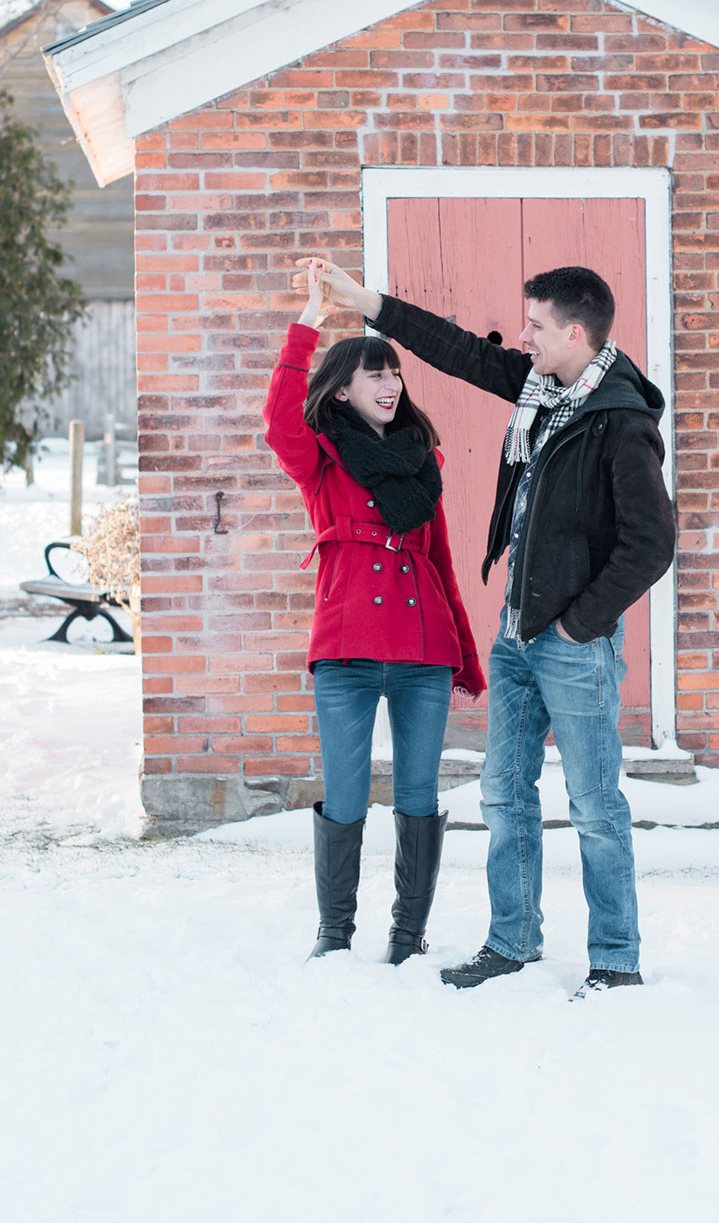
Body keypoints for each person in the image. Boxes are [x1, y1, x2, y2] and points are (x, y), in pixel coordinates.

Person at [296, 256, 675, 998]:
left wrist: (579, 625)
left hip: (570, 642)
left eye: (535, 326)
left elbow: (651, 544)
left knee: (595, 804)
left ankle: (616, 959)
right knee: (505, 795)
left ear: (573, 331)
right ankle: (512, 941)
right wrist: (365, 300)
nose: (523, 338)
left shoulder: (621, 421)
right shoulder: (544, 387)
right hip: (518, 633)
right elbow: (460, 350)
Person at [263, 263, 485, 964]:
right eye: (374, 374)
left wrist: (467, 657)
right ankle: (336, 932)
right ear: (343, 388)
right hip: (348, 653)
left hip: (423, 654)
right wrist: (307, 325)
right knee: (348, 795)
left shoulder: (425, 463)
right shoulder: (322, 459)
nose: (390, 384)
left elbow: (442, 563)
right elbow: (277, 423)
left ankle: (406, 933)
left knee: (418, 796)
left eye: (394, 372)